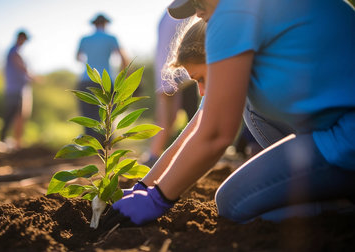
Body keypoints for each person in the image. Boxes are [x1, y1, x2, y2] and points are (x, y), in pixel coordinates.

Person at [103, 0, 355, 228]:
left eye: (198, 2)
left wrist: (158, 199)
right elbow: (196, 127)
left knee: (232, 204)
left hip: (347, 139)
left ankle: (337, 213)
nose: (198, 12)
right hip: (339, 131)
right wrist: (144, 187)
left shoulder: (234, 10)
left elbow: (215, 135)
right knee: (249, 104)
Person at [143, 10, 199, 167]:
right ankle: (158, 158)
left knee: (169, 119)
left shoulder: (167, 15)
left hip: (167, 74)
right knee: (188, 118)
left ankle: (154, 156)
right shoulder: (183, 13)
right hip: (178, 74)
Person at [76, 13, 129, 143]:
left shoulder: (84, 39)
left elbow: (77, 57)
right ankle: (106, 145)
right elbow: (124, 59)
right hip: (106, 80)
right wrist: (123, 76)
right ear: (106, 24)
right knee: (106, 114)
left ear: (94, 24)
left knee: (88, 114)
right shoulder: (111, 38)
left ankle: (91, 145)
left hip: (86, 79)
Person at [0, 30, 34, 149]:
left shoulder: (17, 52)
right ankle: (2, 140)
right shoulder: (14, 51)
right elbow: (22, 67)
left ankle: (17, 142)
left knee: (20, 116)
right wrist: (32, 76)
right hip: (14, 90)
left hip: (20, 89)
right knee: (11, 115)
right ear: (20, 38)